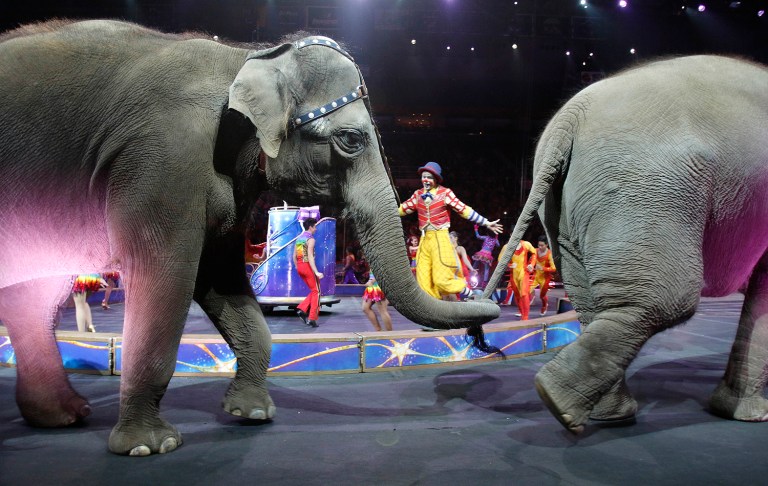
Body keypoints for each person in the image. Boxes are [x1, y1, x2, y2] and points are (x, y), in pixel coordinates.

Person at [398, 161, 502, 300]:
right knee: (423, 283)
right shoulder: (418, 195)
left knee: (442, 280)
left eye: (429, 177)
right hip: (425, 240)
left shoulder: (445, 193)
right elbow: (402, 209)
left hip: (440, 239)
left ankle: (469, 293)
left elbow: (463, 209)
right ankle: (435, 312)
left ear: (436, 179)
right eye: (423, 177)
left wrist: (485, 222)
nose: (425, 180)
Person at [294, 218, 323, 328]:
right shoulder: (310, 239)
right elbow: (310, 256)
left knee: (314, 290)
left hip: (300, 267)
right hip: (307, 266)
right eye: (315, 227)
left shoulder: (299, 239)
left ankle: (302, 309)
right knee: (317, 292)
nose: (316, 229)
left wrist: (298, 267)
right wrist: (316, 271)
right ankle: (312, 318)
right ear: (310, 227)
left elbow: (294, 256)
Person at [501, 240, 536, 320]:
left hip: (524, 273)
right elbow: (501, 260)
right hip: (514, 275)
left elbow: (534, 253)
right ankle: (521, 312)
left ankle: (525, 317)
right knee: (517, 295)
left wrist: (531, 264)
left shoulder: (526, 244)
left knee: (524, 294)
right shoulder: (507, 247)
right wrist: (509, 265)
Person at [530, 235, 557, 315]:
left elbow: (554, 268)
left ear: (546, 245)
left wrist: (543, 268)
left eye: (542, 245)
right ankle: (523, 311)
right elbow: (531, 261)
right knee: (526, 291)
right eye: (539, 245)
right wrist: (530, 265)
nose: (540, 247)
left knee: (542, 296)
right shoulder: (535, 251)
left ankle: (545, 305)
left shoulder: (549, 254)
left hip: (545, 278)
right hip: (535, 276)